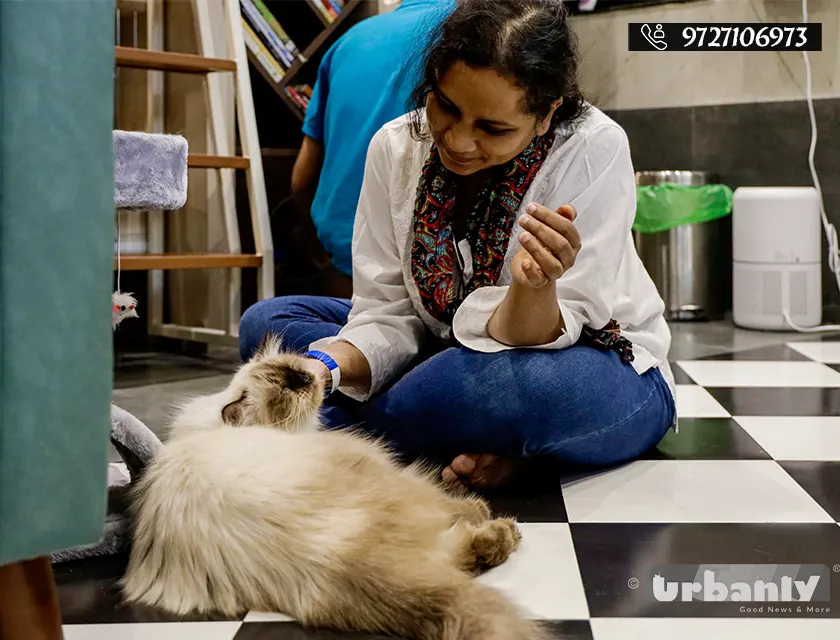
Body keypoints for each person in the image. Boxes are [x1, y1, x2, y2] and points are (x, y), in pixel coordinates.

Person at [241, 0, 676, 489]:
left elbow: (537, 338)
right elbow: (386, 313)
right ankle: (473, 440)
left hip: (588, 362)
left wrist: (534, 288)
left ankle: (322, 442)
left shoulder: (592, 148)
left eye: (493, 128)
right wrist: (320, 370)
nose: (459, 142)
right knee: (267, 325)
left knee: (491, 384)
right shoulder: (396, 146)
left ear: (545, 113)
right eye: (446, 106)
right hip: (440, 349)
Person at [289, 0, 457, 297]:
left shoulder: (349, 41)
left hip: (342, 257)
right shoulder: (479, 34)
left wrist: (313, 234)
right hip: (436, 268)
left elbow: (302, 179)